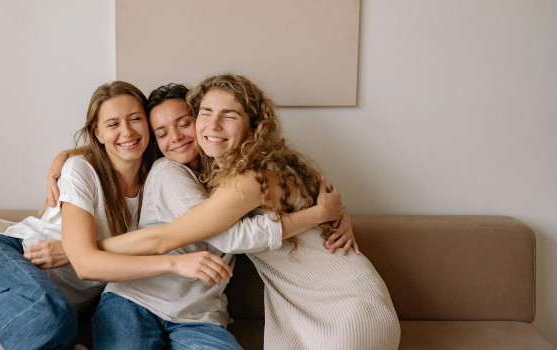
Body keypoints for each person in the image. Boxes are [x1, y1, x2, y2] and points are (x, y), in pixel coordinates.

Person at [0, 81, 234, 350]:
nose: (127, 131)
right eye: (113, 123)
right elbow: (87, 264)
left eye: (136, 119)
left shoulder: (158, 179)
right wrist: (173, 265)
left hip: (51, 313)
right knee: (50, 315)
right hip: (5, 261)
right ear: (96, 134)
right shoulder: (83, 169)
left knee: (54, 325)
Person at [41, 83, 356, 349]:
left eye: (183, 122)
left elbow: (301, 188)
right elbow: (230, 236)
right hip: (134, 301)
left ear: (202, 119)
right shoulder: (167, 171)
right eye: (161, 132)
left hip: (200, 315)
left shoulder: (232, 174)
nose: (175, 137)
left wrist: (337, 212)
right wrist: (316, 216)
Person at [107, 74, 401, 349]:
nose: (212, 125)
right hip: (314, 302)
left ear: (253, 124)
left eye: (229, 116)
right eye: (206, 114)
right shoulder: (228, 171)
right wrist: (321, 214)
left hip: (345, 305)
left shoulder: (249, 177)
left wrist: (85, 250)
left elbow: (220, 236)